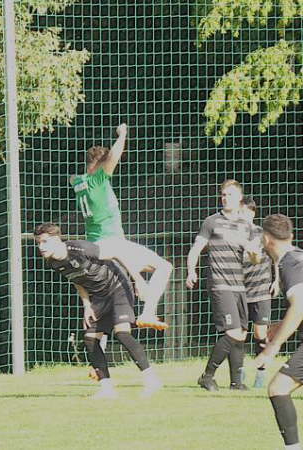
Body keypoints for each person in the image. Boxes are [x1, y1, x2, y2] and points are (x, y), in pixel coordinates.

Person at [33, 223, 166, 399]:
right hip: (99, 297)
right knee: (90, 339)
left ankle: (151, 380)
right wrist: (87, 306)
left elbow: (117, 254)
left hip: (118, 288)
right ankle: (107, 389)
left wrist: (139, 280)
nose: (41, 247)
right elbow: (77, 280)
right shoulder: (53, 262)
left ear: (57, 240)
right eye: (38, 243)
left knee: (122, 334)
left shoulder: (80, 247)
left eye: (44, 242)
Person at [71, 123, 172, 318]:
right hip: (111, 243)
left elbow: (73, 178)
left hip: (94, 245)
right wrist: (122, 134)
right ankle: (148, 312)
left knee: (104, 308)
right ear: (100, 164)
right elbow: (115, 155)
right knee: (164, 267)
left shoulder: (78, 183)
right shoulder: (98, 180)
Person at [186, 179, 259, 391]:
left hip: (239, 286)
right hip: (220, 284)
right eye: (223, 194)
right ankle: (207, 376)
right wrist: (192, 270)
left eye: (229, 195)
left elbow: (254, 259)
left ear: (239, 199)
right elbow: (196, 248)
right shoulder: (211, 222)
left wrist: (254, 255)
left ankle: (236, 382)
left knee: (242, 334)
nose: (225, 198)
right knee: (233, 333)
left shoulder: (247, 226)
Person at [255, 214, 303, 450]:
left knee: (278, 388)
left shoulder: (290, 263)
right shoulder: (297, 257)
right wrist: (278, 327)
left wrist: (272, 349)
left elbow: (301, 305)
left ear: (266, 239)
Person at [240, 197, 277, 388]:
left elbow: (275, 257)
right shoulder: (235, 234)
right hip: (240, 290)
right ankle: (238, 374)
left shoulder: (262, 235)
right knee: (239, 334)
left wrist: (276, 279)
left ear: (253, 213)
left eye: (246, 212)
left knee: (260, 333)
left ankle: (261, 374)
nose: (242, 216)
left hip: (261, 290)